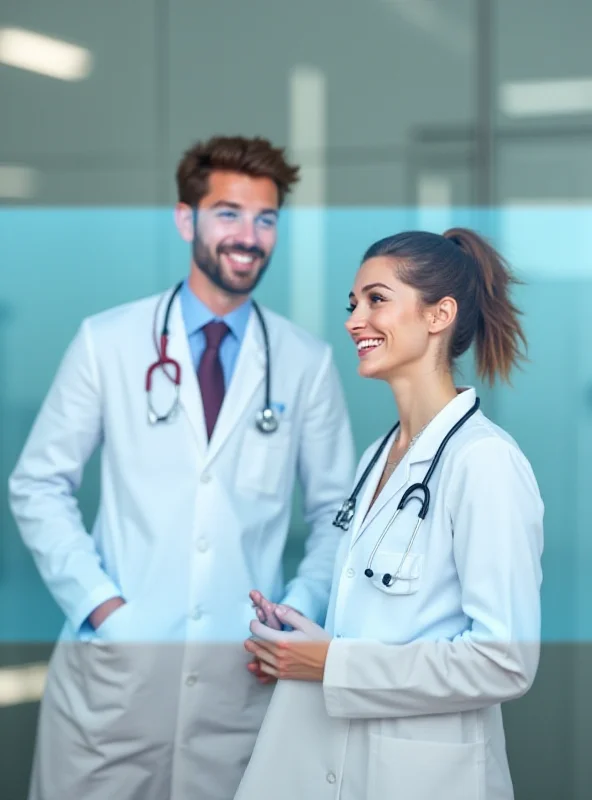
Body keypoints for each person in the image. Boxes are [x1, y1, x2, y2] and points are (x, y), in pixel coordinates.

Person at [8, 135, 355, 800]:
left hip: (242, 686)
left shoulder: (304, 362)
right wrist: (101, 607)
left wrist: (294, 614)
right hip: (113, 690)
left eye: (266, 219)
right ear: (185, 218)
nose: (248, 237)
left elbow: (337, 513)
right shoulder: (107, 341)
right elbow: (37, 484)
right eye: (228, 213)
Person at [241, 228, 544, 800]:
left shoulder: (485, 462)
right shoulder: (378, 456)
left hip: (425, 775)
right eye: (353, 304)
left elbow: (505, 661)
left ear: (439, 315)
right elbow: (378, 623)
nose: (356, 319)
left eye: (377, 300)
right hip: (336, 760)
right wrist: (299, 641)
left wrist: (333, 663)